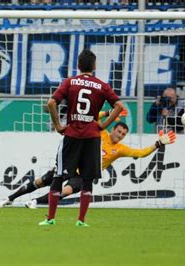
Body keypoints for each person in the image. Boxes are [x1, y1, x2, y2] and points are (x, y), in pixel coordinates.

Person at [0, 121, 177, 209]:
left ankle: (34, 202)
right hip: (71, 164)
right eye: (118, 131)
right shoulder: (101, 133)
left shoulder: (120, 149)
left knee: (66, 191)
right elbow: (93, 117)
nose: (119, 135)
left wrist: (158, 144)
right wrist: (107, 113)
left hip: (85, 175)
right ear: (113, 129)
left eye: (122, 134)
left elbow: (141, 153)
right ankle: (9, 198)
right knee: (41, 181)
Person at [40, 49, 124, 227]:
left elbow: (51, 103)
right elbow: (119, 106)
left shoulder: (69, 82)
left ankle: (51, 218)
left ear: (78, 66)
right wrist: (102, 125)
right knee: (87, 179)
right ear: (94, 66)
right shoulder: (102, 86)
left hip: (71, 135)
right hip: (92, 137)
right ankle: (81, 220)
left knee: (58, 176)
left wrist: (58, 126)